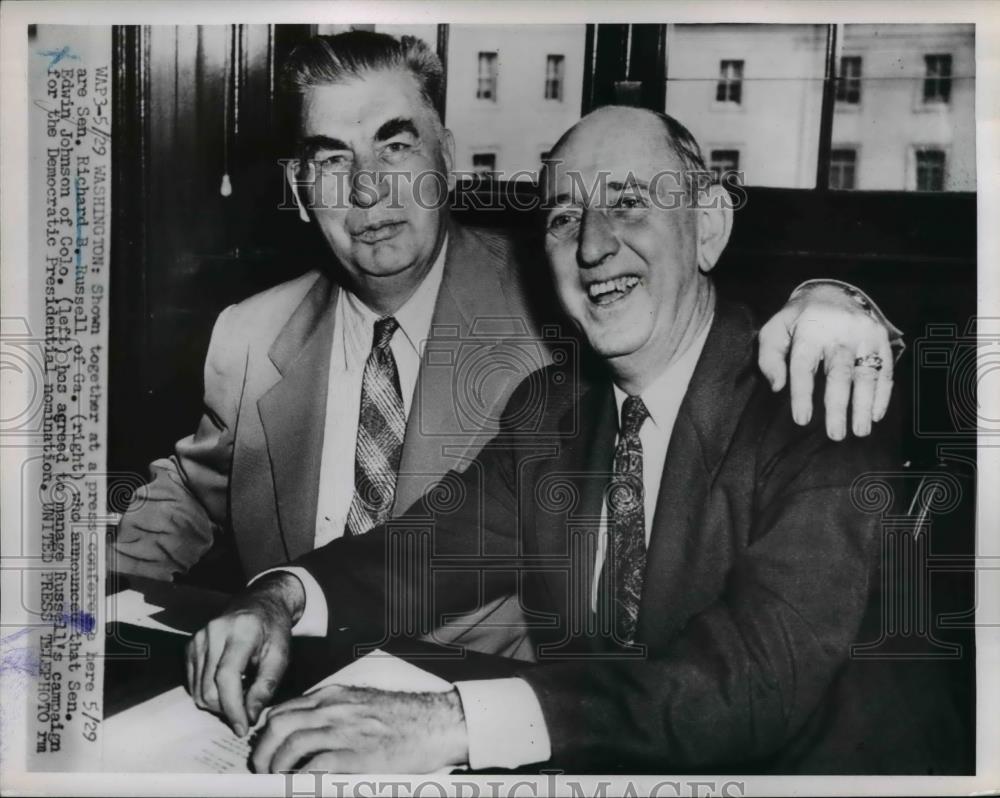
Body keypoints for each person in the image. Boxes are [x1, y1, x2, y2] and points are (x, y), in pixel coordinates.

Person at [186, 105, 967, 775]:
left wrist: (449, 723)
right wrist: (280, 598)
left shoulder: (816, 400)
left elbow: (744, 688)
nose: (592, 247)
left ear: (709, 228)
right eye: (563, 216)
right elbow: (423, 555)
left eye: (628, 203)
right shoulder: (556, 410)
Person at [115, 32, 901, 660]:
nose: (366, 191)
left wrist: (837, 300)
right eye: (331, 159)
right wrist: (112, 606)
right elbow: (198, 491)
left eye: (395, 147)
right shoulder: (249, 333)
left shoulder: (556, 305)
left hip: (503, 707)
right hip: (290, 674)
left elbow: (704, 325)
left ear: (446, 156)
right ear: (298, 183)